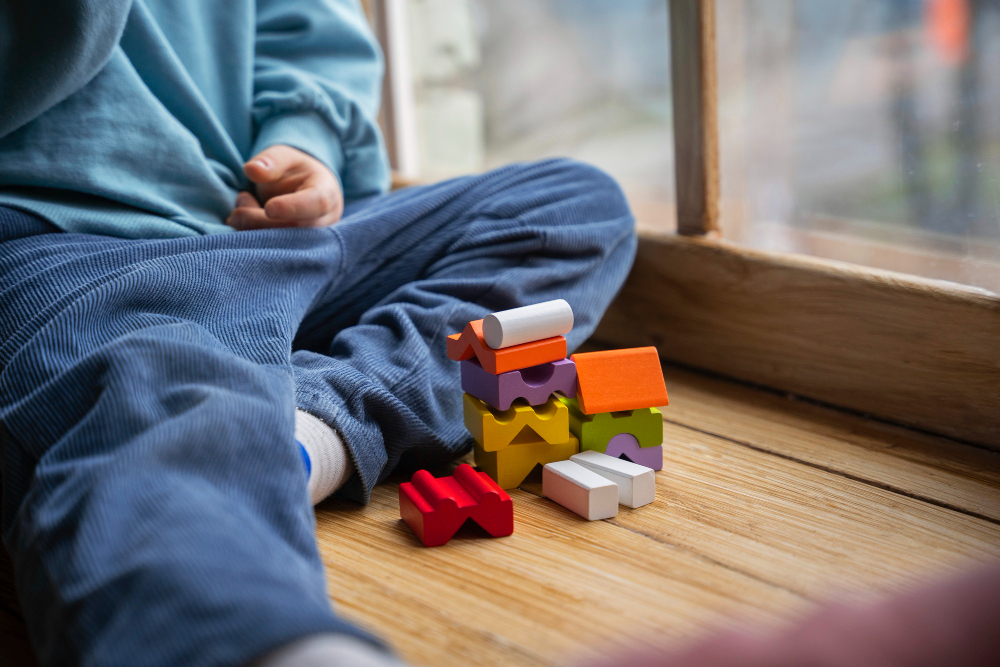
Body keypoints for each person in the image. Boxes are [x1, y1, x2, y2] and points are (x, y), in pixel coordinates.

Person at [0, 1, 636, 665]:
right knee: (152, 406)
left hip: (264, 231)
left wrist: (304, 141)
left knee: (573, 202)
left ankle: (305, 432)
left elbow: (303, 25)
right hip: (65, 251)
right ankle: (260, 626)